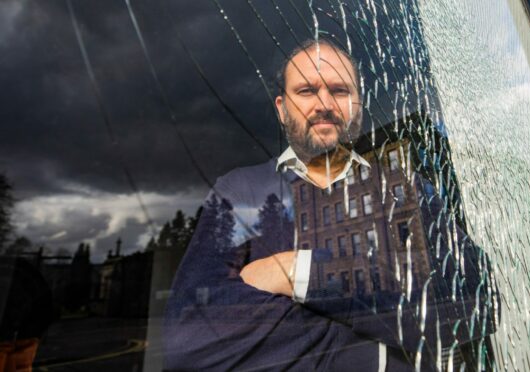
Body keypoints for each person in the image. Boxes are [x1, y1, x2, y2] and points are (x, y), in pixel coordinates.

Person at [164, 38, 499, 371]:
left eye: (340, 91)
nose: (324, 103)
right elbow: (188, 339)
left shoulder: (406, 188)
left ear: (359, 107)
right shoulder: (240, 191)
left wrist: (302, 273)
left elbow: (479, 301)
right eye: (307, 91)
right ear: (282, 108)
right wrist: (380, 330)